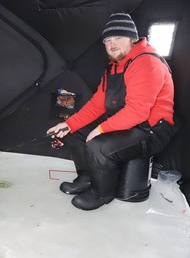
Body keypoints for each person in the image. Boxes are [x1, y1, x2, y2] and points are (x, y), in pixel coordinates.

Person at [47, 12, 176, 211]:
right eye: (107, 40)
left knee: (98, 145)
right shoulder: (113, 68)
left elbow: (137, 112)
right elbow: (97, 105)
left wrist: (99, 130)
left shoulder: (146, 62)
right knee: (73, 133)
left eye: (118, 38)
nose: (112, 44)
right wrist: (68, 124)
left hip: (152, 130)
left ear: (133, 39)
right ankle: (86, 178)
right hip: (128, 122)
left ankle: (101, 193)